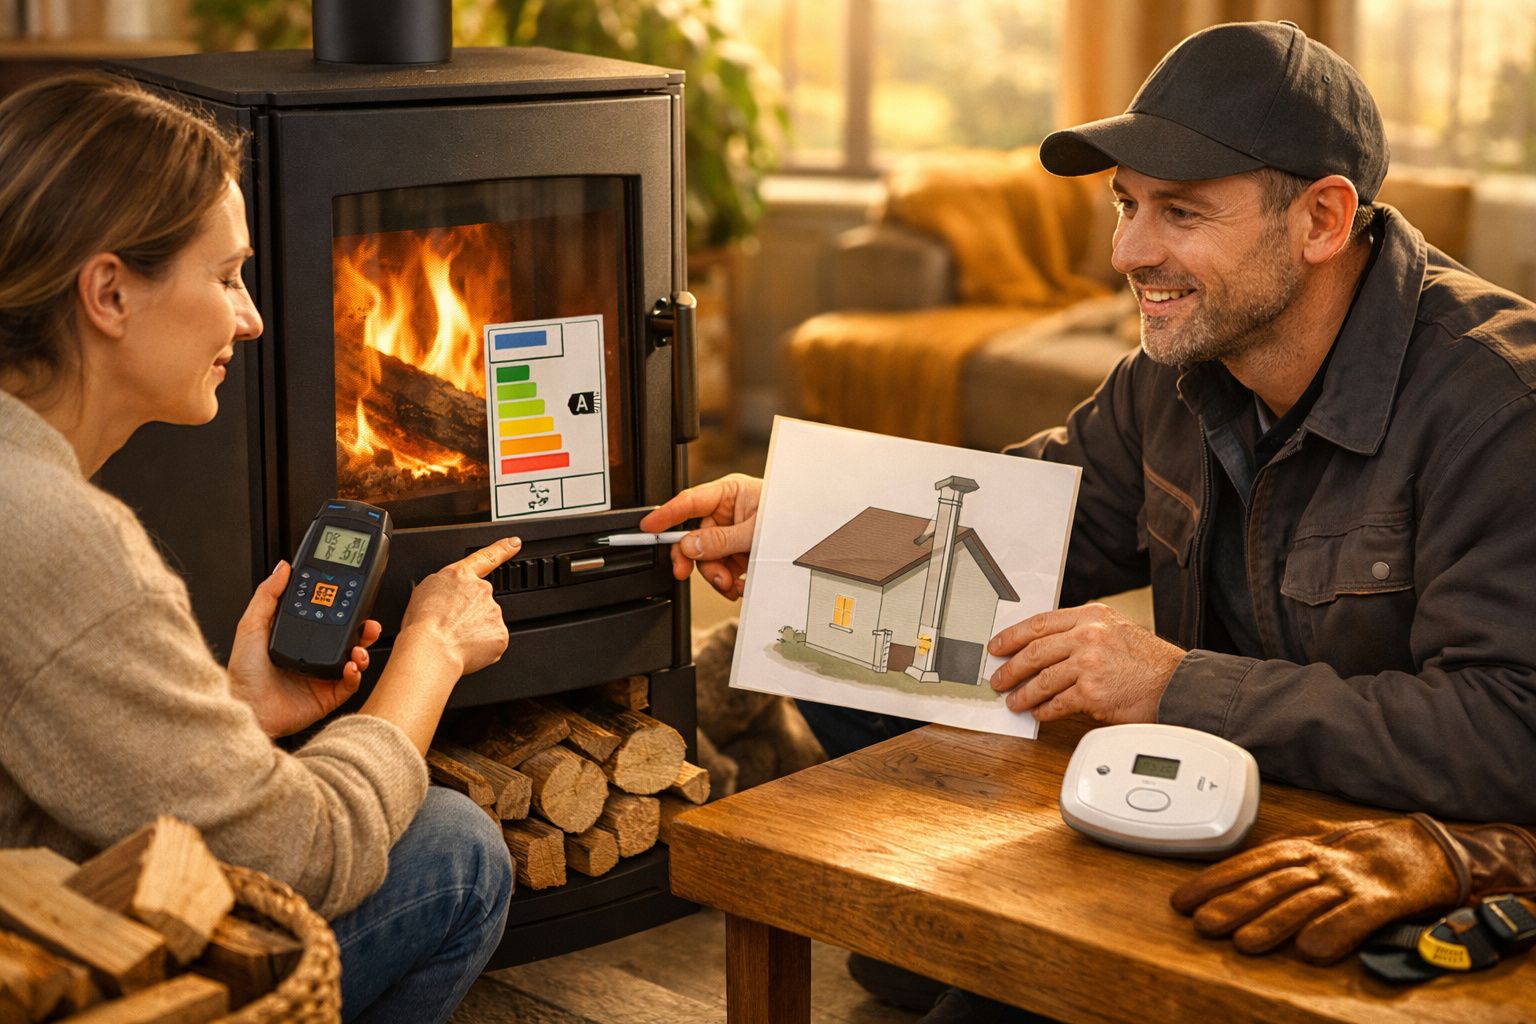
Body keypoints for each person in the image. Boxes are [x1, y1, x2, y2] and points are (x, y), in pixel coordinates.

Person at [641, 20, 1536, 1022]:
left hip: (1370, 851)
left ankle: (969, 963)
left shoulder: (1499, 401)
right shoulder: (1172, 379)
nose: (1127, 253)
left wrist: (1173, 683)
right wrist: (799, 523)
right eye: (1126, 205)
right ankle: (956, 944)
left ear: (1323, 220)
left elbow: (1510, 729)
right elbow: (1015, 517)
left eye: (1181, 212)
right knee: (860, 644)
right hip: (1192, 804)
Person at [0, 73, 517, 1023]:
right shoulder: (55, 534)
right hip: (51, 977)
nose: (254, 318)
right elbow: (307, 853)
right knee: (454, 847)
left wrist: (233, 709)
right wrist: (427, 657)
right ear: (109, 292)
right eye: (228, 274)